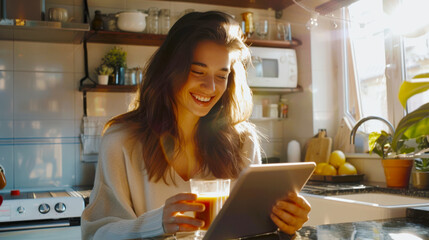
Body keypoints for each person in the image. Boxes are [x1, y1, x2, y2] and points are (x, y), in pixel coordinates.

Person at [81, 11, 311, 240]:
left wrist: (284, 222)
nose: (210, 87)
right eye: (198, 71)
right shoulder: (121, 141)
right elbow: (96, 234)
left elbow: (255, 230)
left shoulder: (242, 142)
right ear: (168, 71)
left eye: (222, 76)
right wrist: (155, 223)